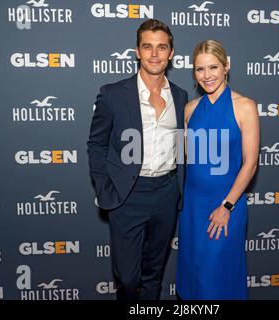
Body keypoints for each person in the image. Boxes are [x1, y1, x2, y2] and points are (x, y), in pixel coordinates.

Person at [87, 19, 188, 300]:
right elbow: (96, 143)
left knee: (154, 275)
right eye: (148, 47)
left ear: (171, 53)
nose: (154, 54)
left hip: (167, 193)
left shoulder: (180, 96)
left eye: (161, 47)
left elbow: (181, 146)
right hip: (128, 194)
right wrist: (102, 186)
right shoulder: (112, 94)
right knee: (129, 279)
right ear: (137, 51)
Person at [176, 40, 260, 300]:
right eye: (200, 69)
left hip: (226, 204)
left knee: (217, 277)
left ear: (226, 66)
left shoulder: (245, 107)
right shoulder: (189, 110)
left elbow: (251, 163)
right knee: (194, 277)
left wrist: (227, 206)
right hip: (192, 206)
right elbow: (184, 159)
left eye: (213, 67)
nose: (207, 75)